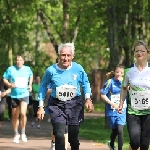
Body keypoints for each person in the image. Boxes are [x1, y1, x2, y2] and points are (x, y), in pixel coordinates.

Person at [37, 42, 94, 150]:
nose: (65, 58)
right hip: (57, 105)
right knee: (59, 135)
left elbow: (85, 83)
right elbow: (43, 86)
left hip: (75, 105)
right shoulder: (51, 70)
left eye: (68, 55)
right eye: (63, 55)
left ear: (73, 56)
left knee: (73, 137)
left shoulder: (78, 68)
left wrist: (88, 99)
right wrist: (40, 106)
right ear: (58, 55)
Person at [118, 40, 150, 150]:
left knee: (145, 144)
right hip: (133, 111)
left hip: (149, 112)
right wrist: (121, 103)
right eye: (137, 51)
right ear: (134, 53)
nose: (139, 53)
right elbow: (124, 88)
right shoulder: (128, 71)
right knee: (135, 142)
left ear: (147, 52)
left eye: (142, 51)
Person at [3, 54, 33, 143]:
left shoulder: (27, 69)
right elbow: (4, 78)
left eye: (20, 60)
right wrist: (9, 84)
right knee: (15, 115)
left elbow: (31, 76)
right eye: (17, 60)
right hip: (14, 95)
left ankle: (23, 133)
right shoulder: (11, 69)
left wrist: (30, 85)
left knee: (23, 113)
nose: (18, 62)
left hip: (24, 94)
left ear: (23, 61)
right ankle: (16, 134)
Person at [100, 64, 126, 150]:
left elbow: (130, 91)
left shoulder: (125, 82)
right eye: (117, 72)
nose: (119, 74)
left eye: (121, 72)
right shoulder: (109, 82)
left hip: (122, 110)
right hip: (112, 110)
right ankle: (111, 143)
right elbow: (103, 95)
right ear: (114, 72)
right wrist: (112, 103)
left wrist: (124, 84)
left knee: (120, 130)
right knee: (115, 130)